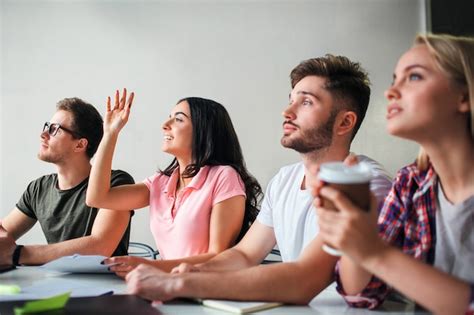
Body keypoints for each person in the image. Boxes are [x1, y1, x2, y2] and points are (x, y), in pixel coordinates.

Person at [124, 54, 393, 303]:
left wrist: (182, 283)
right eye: (291, 99)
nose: (287, 111)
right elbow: (244, 255)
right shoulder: (285, 180)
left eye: (307, 102)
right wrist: (195, 269)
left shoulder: (369, 186)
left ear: (344, 123)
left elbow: (304, 279)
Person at [315, 34, 474, 314]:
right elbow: (363, 294)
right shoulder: (410, 184)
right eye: (394, 79)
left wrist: (375, 253)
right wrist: (355, 235)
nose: (390, 92)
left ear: (464, 96)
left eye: (413, 77)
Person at [86, 90, 262, 275]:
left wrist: (150, 266)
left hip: (206, 290)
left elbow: (218, 257)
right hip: (165, 286)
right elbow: (98, 198)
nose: (165, 125)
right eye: (169, 118)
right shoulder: (160, 182)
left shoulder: (224, 177)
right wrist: (110, 133)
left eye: (178, 119)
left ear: (203, 130)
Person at [0, 98, 134, 266]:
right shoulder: (38, 188)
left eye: (55, 129)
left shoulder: (116, 183)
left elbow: (101, 246)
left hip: (108, 287)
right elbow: (3, 232)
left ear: (80, 145)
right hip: (56, 284)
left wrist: (17, 254)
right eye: (47, 127)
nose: (43, 134)